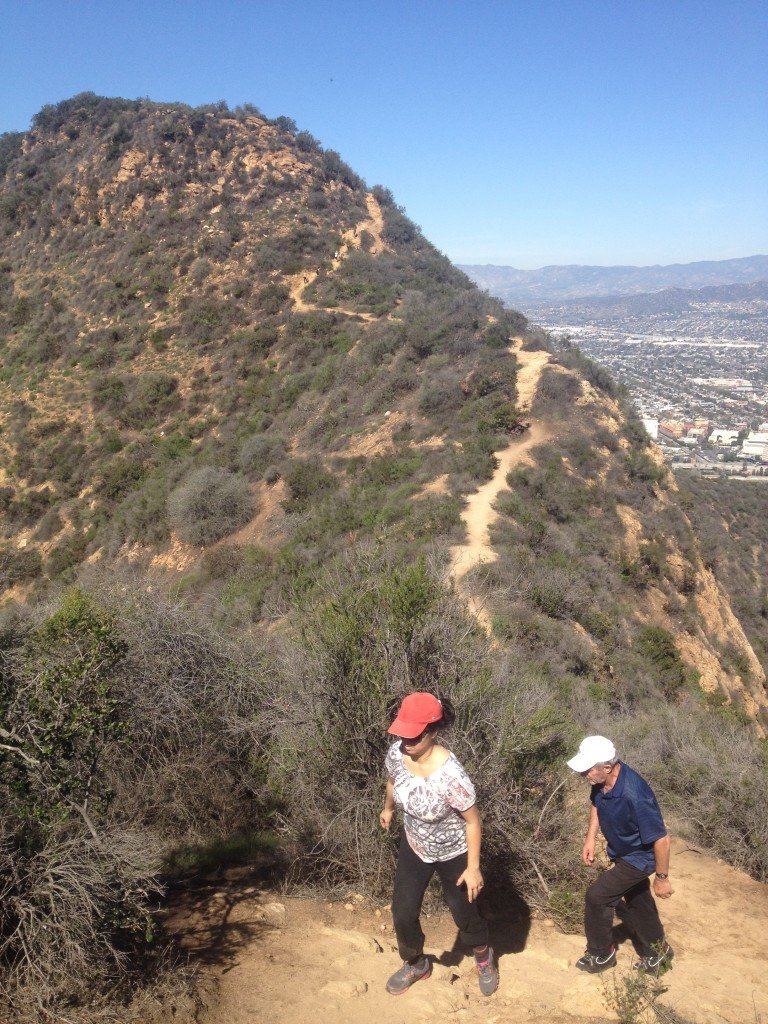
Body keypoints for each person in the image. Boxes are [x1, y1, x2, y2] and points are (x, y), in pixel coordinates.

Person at [380, 691, 498, 996]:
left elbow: (473, 821)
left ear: (433, 731)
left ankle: (483, 955)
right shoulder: (397, 753)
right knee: (403, 911)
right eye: (403, 733)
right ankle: (416, 962)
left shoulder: (451, 776)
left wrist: (473, 868)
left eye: (414, 736)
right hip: (415, 845)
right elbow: (393, 780)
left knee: (464, 913)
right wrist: (389, 808)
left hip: (454, 852)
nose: (406, 741)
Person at [567, 735, 674, 975]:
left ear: (607, 767)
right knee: (638, 900)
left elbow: (661, 838)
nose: (583, 775)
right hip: (622, 852)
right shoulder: (601, 782)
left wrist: (662, 877)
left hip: (640, 857)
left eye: (587, 770)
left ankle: (601, 953)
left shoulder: (634, 794)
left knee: (597, 897)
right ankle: (659, 951)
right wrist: (590, 838)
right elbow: (596, 803)